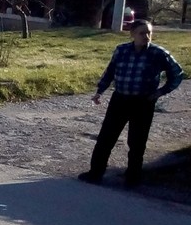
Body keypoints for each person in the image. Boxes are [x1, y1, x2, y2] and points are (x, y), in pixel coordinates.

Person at [77, 19, 183, 188]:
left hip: (143, 102)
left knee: (137, 142)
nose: (146, 36)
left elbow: (177, 74)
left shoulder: (158, 53)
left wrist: (161, 92)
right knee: (106, 138)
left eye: (149, 33)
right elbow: (110, 71)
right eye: (142, 33)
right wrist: (100, 91)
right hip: (120, 99)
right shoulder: (122, 50)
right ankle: (95, 173)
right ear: (132, 34)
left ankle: (133, 177)